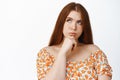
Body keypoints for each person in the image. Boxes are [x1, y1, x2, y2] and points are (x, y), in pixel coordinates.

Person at [36, 2, 112, 80]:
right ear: (61, 23)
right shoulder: (45, 54)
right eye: (69, 20)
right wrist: (63, 53)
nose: (73, 27)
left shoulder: (94, 52)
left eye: (79, 22)